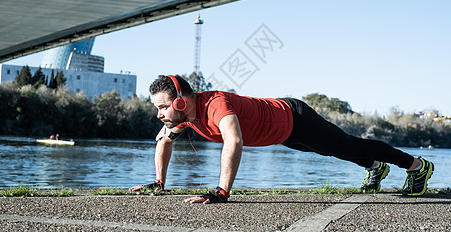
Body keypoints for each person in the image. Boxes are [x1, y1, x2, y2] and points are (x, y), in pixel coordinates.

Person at [129, 75, 434, 203]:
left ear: (181, 102)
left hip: (294, 118)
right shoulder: (184, 116)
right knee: (333, 151)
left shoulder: (216, 105)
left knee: (347, 145)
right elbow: (164, 140)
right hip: (282, 134)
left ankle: (416, 166)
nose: (160, 114)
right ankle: (374, 166)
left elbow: (233, 142)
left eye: (163, 107)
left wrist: (222, 192)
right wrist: (158, 183)